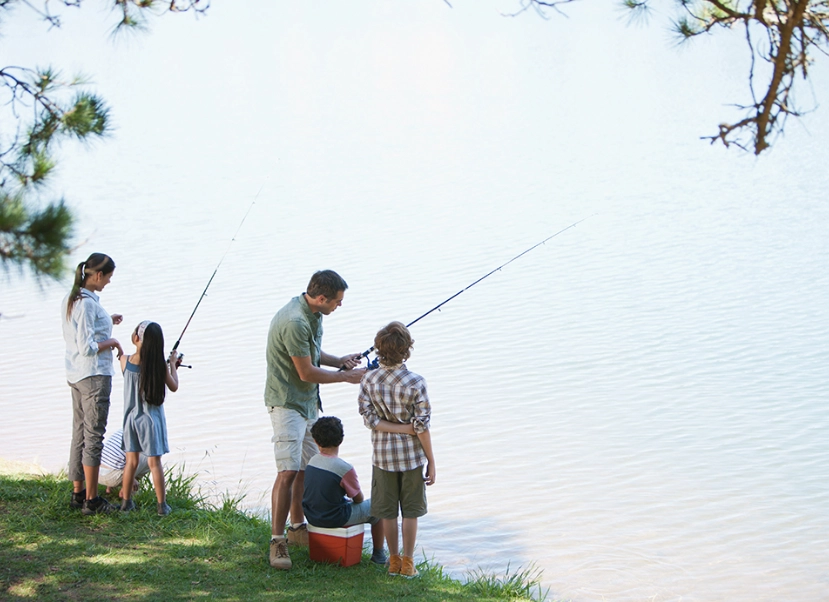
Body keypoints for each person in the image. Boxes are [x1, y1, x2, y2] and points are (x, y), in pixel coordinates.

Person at [265, 270, 365, 570]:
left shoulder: (313, 314)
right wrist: (345, 377)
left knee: (306, 469)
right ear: (321, 298)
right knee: (287, 471)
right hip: (286, 403)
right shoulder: (294, 321)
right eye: (337, 301)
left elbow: (311, 354)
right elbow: (305, 372)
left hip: (308, 403)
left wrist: (339, 361)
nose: (339, 305)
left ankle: (297, 528)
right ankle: (277, 540)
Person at [358, 321, 436, 578]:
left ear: (379, 349)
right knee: (410, 512)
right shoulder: (416, 382)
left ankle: (393, 561)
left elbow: (369, 419)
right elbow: (421, 427)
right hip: (412, 459)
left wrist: (393, 428)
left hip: (382, 458)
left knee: (388, 513)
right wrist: (431, 461)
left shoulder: (368, 379)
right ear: (406, 350)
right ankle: (408, 563)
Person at [62, 252, 124, 515]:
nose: (109, 282)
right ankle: (92, 500)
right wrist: (114, 342)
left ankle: (78, 493)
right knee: (94, 436)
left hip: (75, 374)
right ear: (98, 275)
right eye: (108, 277)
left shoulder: (72, 298)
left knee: (79, 432)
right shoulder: (87, 304)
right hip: (93, 377)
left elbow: (81, 332)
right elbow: (88, 347)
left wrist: (107, 321)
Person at [302, 416, 388, 565]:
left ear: (315, 441)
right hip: (333, 518)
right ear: (341, 440)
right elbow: (358, 499)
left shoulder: (312, 462)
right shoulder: (344, 468)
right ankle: (379, 555)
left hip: (312, 515)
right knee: (378, 508)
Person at [119, 320, 181, 516]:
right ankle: (162, 506)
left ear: (137, 338)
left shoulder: (125, 362)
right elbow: (174, 386)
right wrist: (172, 364)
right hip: (151, 423)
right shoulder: (159, 367)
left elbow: (132, 371)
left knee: (131, 462)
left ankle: (126, 503)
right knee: (155, 464)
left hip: (130, 421)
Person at [98, 429, 151, 498]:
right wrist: (131, 478)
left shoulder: (122, 430)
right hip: (113, 477)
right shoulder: (141, 436)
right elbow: (132, 460)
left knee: (119, 456)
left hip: (97, 474)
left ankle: (110, 489)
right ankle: (127, 490)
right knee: (150, 458)